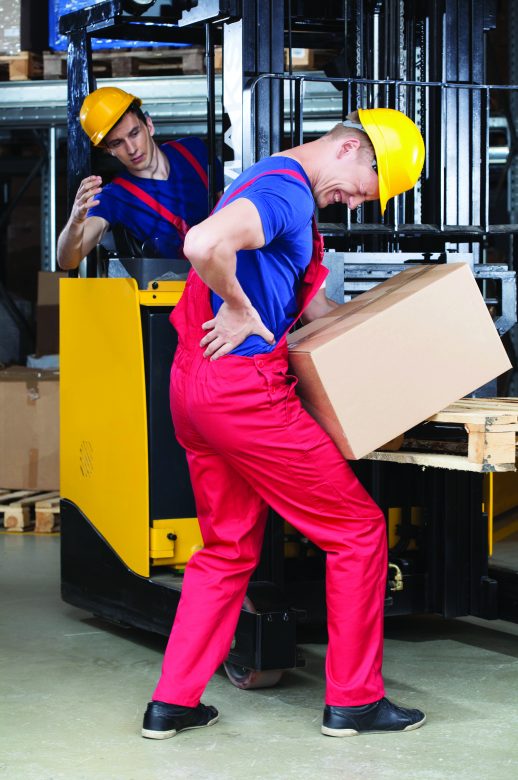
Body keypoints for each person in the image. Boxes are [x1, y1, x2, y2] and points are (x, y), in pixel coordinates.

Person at [141, 108, 427, 740]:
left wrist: (392, 327)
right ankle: (354, 701)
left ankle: (173, 704)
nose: (353, 204)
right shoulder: (285, 193)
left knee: (227, 548)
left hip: (195, 388)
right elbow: (202, 245)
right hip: (244, 393)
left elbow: (313, 306)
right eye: (360, 189)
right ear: (352, 147)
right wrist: (241, 311)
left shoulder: (273, 183)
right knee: (357, 533)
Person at [57, 86, 223, 270]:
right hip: (173, 293)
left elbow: (227, 204)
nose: (131, 149)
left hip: (226, 275)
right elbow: (67, 261)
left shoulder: (194, 151)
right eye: (117, 143)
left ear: (149, 126)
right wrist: (75, 220)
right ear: (109, 150)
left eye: (134, 133)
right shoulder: (113, 198)